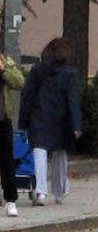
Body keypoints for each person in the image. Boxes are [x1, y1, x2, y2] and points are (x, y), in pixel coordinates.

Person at [18, 38, 81, 207]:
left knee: (39, 152)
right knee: (60, 156)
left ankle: (41, 191)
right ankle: (59, 192)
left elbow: (28, 96)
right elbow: (73, 100)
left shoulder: (37, 70)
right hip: (61, 120)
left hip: (39, 117)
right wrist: (76, 124)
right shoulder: (69, 74)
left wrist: (23, 120)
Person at [0, 55, 24, 216]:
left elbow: (19, 82)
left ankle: (10, 200)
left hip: (2, 118)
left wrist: (4, 71)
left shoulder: (5, 60)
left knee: (7, 160)